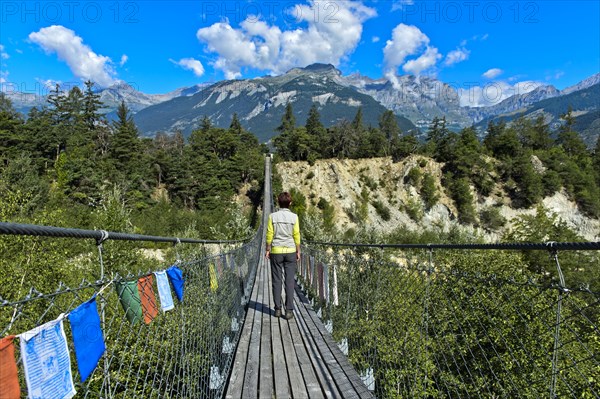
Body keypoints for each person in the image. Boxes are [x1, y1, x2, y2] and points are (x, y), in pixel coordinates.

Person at [265, 192, 300, 320]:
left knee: (276, 280)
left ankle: (278, 309)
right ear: (290, 203)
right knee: (290, 281)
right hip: (290, 251)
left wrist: (267, 249)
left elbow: (269, 234)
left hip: (276, 251)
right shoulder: (294, 217)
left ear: (278, 203)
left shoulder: (272, 216)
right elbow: (296, 234)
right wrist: (298, 251)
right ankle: (289, 311)